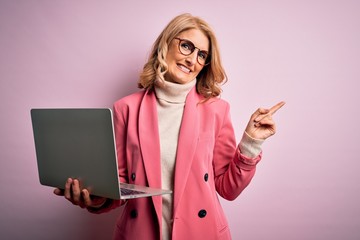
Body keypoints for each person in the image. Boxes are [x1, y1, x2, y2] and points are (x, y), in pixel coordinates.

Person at [54, 13, 285, 240]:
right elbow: (121, 187)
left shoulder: (216, 110)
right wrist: (93, 197)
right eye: (187, 46)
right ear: (166, 43)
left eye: (202, 55)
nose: (192, 59)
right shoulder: (126, 109)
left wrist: (251, 144)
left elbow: (228, 188)